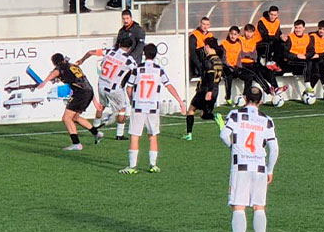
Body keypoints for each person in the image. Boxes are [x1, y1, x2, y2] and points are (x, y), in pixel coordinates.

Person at [219, 85, 280, 232]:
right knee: (258, 206)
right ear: (261, 101)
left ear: (244, 98)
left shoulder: (235, 115)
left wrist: (233, 147)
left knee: (238, 205)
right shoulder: (266, 120)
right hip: (260, 167)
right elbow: (274, 147)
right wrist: (270, 170)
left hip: (241, 165)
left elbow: (224, 135)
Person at [122, 43, 184, 173]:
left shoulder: (137, 69)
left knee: (135, 135)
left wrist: (132, 100)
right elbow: (169, 85)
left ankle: (132, 166)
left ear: (144, 54)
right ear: (156, 55)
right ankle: (153, 165)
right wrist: (180, 101)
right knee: (153, 135)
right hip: (152, 107)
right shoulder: (159, 70)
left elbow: (128, 88)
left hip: (138, 106)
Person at [31, 53, 103, 151]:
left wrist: (44, 82)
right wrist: (94, 100)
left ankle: (76, 144)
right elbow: (84, 81)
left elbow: (56, 72)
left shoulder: (61, 67)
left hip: (80, 93)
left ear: (54, 62)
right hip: (88, 91)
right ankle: (96, 133)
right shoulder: (73, 66)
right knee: (75, 117)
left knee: (66, 118)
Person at [77, 36, 137, 139]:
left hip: (102, 85)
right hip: (114, 88)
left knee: (101, 106)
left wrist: (82, 60)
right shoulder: (128, 60)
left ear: (119, 44)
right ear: (130, 48)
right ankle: (119, 134)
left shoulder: (109, 52)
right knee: (122, 109)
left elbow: (91, 52)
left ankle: (94, 128)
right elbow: (136, 70)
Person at [186, 42, 226, 142]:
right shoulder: (219, 60)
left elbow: (210, 76)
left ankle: (189, 134)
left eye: (205, 47)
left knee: (191, 109)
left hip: (205, 90)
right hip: (215, 90)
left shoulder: (208, 60)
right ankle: (215, 116)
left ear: (208, 47)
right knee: (203, 114)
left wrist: (208, 90)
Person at [238, 24, 283, 104]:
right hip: (243, 64)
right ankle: (268, 90)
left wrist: (248, 54)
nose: (249, 34)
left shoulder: (253, 41)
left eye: (251, 32)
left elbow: (254, 55)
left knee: (267, 71)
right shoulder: (240, 40)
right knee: (254, 74)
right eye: (247, 32)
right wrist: (249, 54)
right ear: (244, 31)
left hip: (253, 63)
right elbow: (241, 54)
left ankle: (276, 88)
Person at [279, 19, 316, 94]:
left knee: (315, 70)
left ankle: (307, 91)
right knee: (307, 63)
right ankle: (308, 86)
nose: (297, 30)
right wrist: (296, 56)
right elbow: (285, 53)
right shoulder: (290, 38)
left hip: (303, 60)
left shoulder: (308, 37)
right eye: (296, 28)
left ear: (303, 28)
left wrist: (305, 56)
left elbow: (312, 51)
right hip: (291, 61)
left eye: (299, 28)